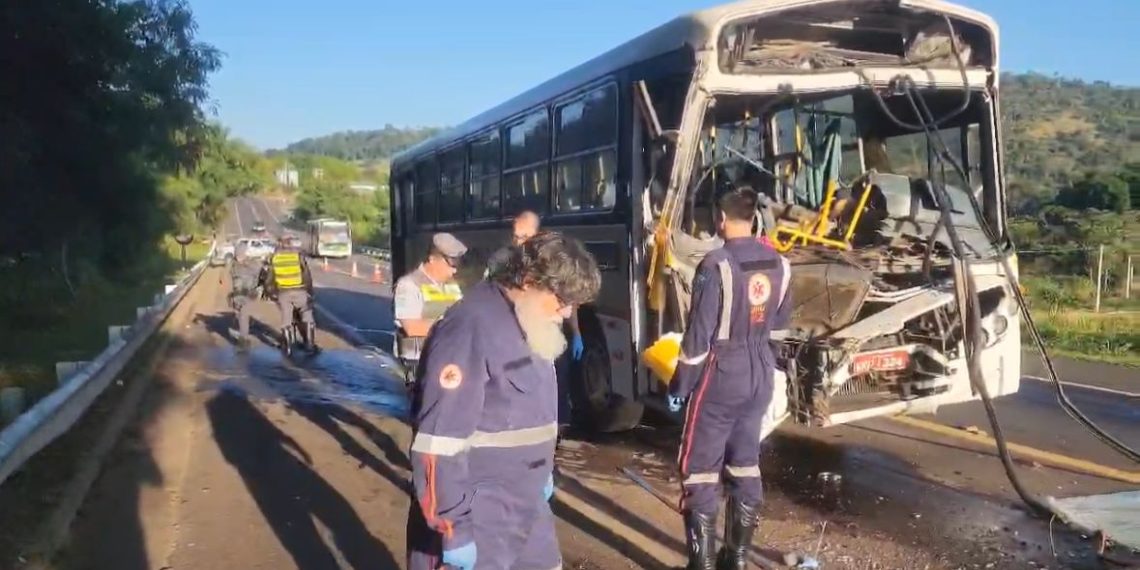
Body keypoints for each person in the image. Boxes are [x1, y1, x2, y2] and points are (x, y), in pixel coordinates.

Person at [406, 231, 601, 570]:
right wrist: (452, 528)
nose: (566, 310)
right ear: (528, 280)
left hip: (527, 506)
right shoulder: (469, 327)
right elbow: (437, 445)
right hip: (479, 515)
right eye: (561, 299)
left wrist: (541, 473)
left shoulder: (532, 319)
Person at [667, 187, 792, 570]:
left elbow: (698, 337)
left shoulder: (715, 265)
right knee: (744, 463)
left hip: (721, 374)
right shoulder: (781, 264)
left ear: (720, 219)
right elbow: (781, 331)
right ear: (753, 218)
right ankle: (734, 559)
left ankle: (702, 565)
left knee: (700, 470)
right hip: (760, 373)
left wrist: (680, 384)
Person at [393, 233, 467, 382]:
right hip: (419, 363)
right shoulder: (408, 285)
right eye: (450, 264)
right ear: (432, 259)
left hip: (448, 358)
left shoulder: (451, 285)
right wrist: (452, 327)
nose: (454, 271)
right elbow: (412, 328)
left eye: (457, 265)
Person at [264, 235, 317, 355]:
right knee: (307, 316)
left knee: (286, 320)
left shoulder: (275, 258)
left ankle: (288, 348)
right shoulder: (297, 256)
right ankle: (309, 346)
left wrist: (271, 293)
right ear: (290, 243)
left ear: (280, 243)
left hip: (283, 293)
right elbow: (306, 275)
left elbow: (269, 279)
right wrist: (310, 292)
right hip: (299, 291)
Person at [226, 244, 262, 351]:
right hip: (244, 293)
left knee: (242, 314)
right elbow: (257, 272)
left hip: (240, 293)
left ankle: (243, 335)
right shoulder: (247, 264)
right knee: (244, 315)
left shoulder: (234, 264)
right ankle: (243, 339)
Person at [484, 210, 540, 279]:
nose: (519, 242)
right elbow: (486, 283)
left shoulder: (548, 258)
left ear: (537, 234)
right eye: (516, 236)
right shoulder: (499, 259)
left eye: (524, 236)